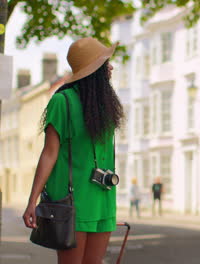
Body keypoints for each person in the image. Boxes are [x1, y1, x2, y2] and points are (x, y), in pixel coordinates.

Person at [23, 37, 123, 263]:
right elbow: (49, 153)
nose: (111, 67)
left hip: (103, 198)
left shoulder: (105, 104)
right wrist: (32, 200)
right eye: (105, 62)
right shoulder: (62, 101)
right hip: (71, 203)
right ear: (94, 69)